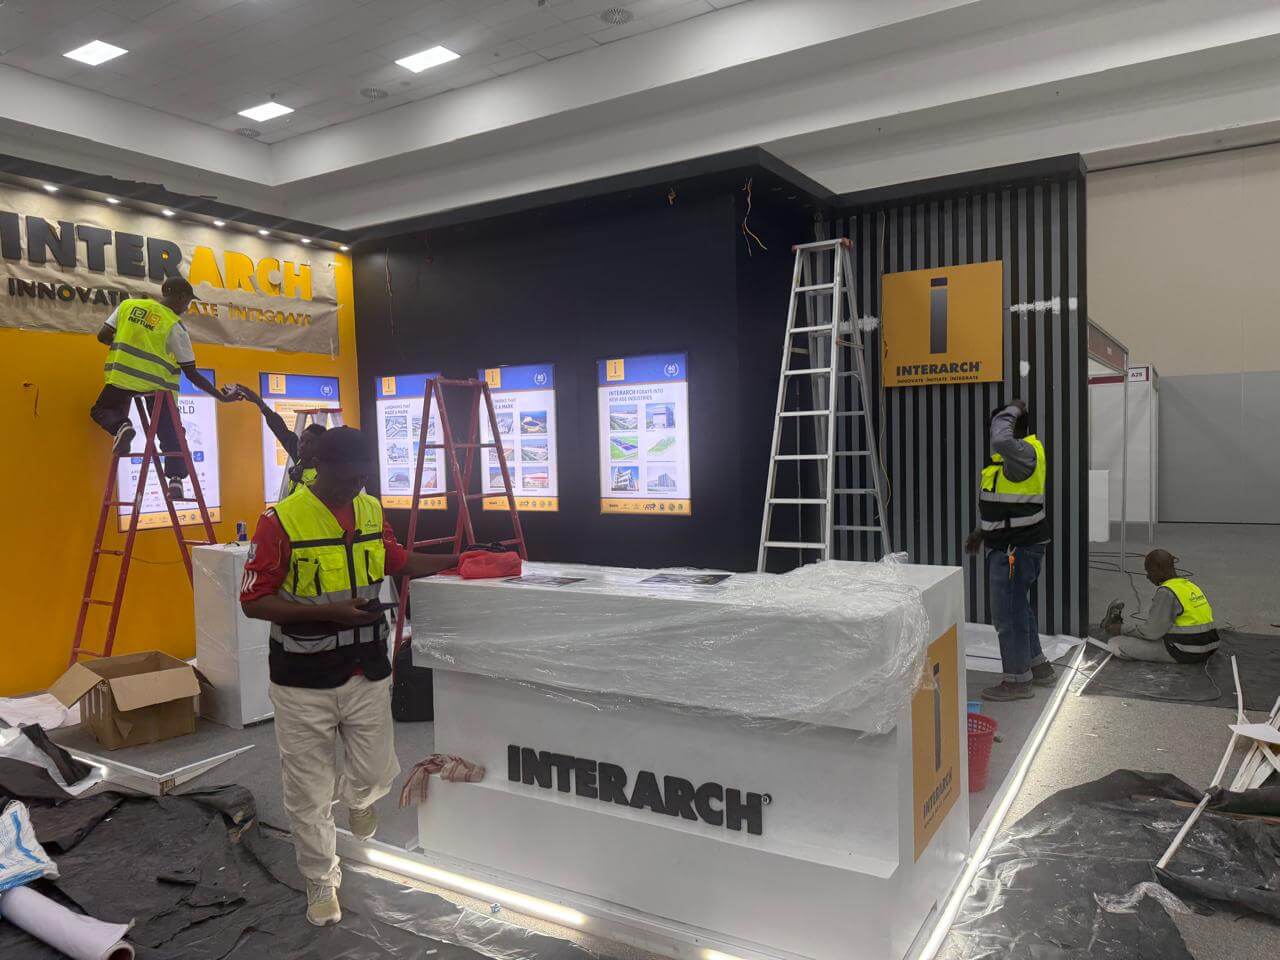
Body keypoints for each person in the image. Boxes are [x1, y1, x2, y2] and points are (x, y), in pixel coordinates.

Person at [239, 427, 456, 927]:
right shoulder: (280, 520)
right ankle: (320, 878)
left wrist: (455, 561)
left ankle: (358, 799)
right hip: (302, 677)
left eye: (363, 477)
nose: (355, 486)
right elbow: (254, 601)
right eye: (347, 477)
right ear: (320, 468)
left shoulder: (370, 509)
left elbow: (395, 559)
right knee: (308, 792)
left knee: (378, 773)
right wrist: (330, 613)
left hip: (366, 669)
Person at [90, 277, 236, 497]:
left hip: (122, 379)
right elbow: (191, 372)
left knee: (102, 410)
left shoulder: (128, 306)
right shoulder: (174, 326)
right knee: (171, 433)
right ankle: (175, 481)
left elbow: (103, 336)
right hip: (157, 388)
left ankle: (121, 426)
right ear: (181, 297)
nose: (186, 308)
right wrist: (221, 397)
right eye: (188, 302)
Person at [965, 399, 1054, 701]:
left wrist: (1012, 409)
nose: (993, 433)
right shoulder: (1010, 460)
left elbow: (1002, 438)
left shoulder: (1023, 452)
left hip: (1016, 549)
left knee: (1008, 616)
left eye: (997, 425)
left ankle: (1017, 681)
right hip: (1011, 544)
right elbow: (1005, 506)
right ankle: (1037, 666)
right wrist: (981, 532)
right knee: (1018, 608)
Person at [1105, 549, 1219, 663]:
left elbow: (1151, 632)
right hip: (1209, 648)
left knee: (1115, 643)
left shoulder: (1167, 591)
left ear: (1157, 568)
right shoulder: (1190, 586)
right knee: (1153, 633)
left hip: (1186, 652)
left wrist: (1121, 628)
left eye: (1149, 571)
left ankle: (1118, 630)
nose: (1148, 576)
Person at [233, 383, 325, 494]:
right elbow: (281, 430)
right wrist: (259, 402)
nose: (302, 445)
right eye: (302, 440)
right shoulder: (300, 458)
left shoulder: (326, 475)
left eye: (309, 443)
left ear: (320, 447)